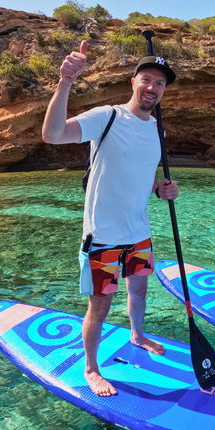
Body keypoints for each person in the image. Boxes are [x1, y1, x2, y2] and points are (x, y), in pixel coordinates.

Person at [42, 40, 178, 397]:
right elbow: (52, 135)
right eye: (146, 79)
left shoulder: (158, 131)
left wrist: (160, 190)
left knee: (139, 290)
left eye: (160, 83)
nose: (152, 87)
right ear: (133, 81)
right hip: (102, 234)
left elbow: (144, 176)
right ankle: (90, 368)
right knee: (100, 305)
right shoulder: (108, 116)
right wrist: (65, 82)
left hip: (139, 232)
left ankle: (137, 334)